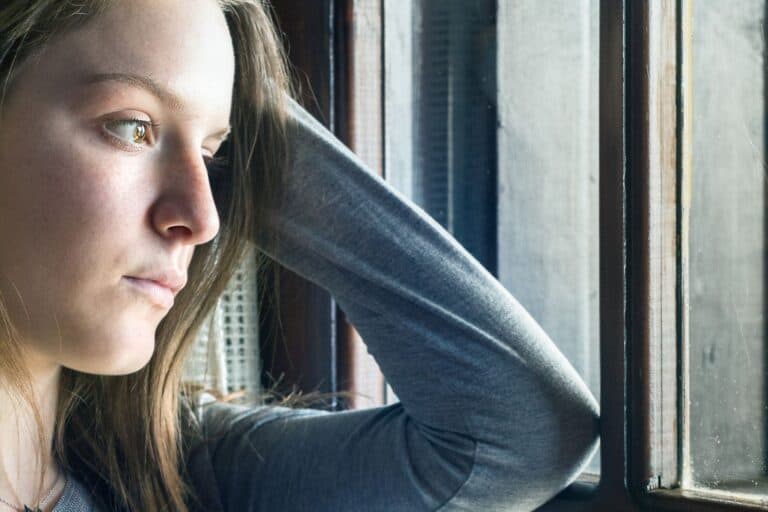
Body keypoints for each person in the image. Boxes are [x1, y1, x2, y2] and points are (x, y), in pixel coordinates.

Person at [0, 0, 600, 511]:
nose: (205, 219)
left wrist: (239, 97)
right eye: (132, 128)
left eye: (216, 155)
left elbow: (525, 434)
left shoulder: (179, 471)